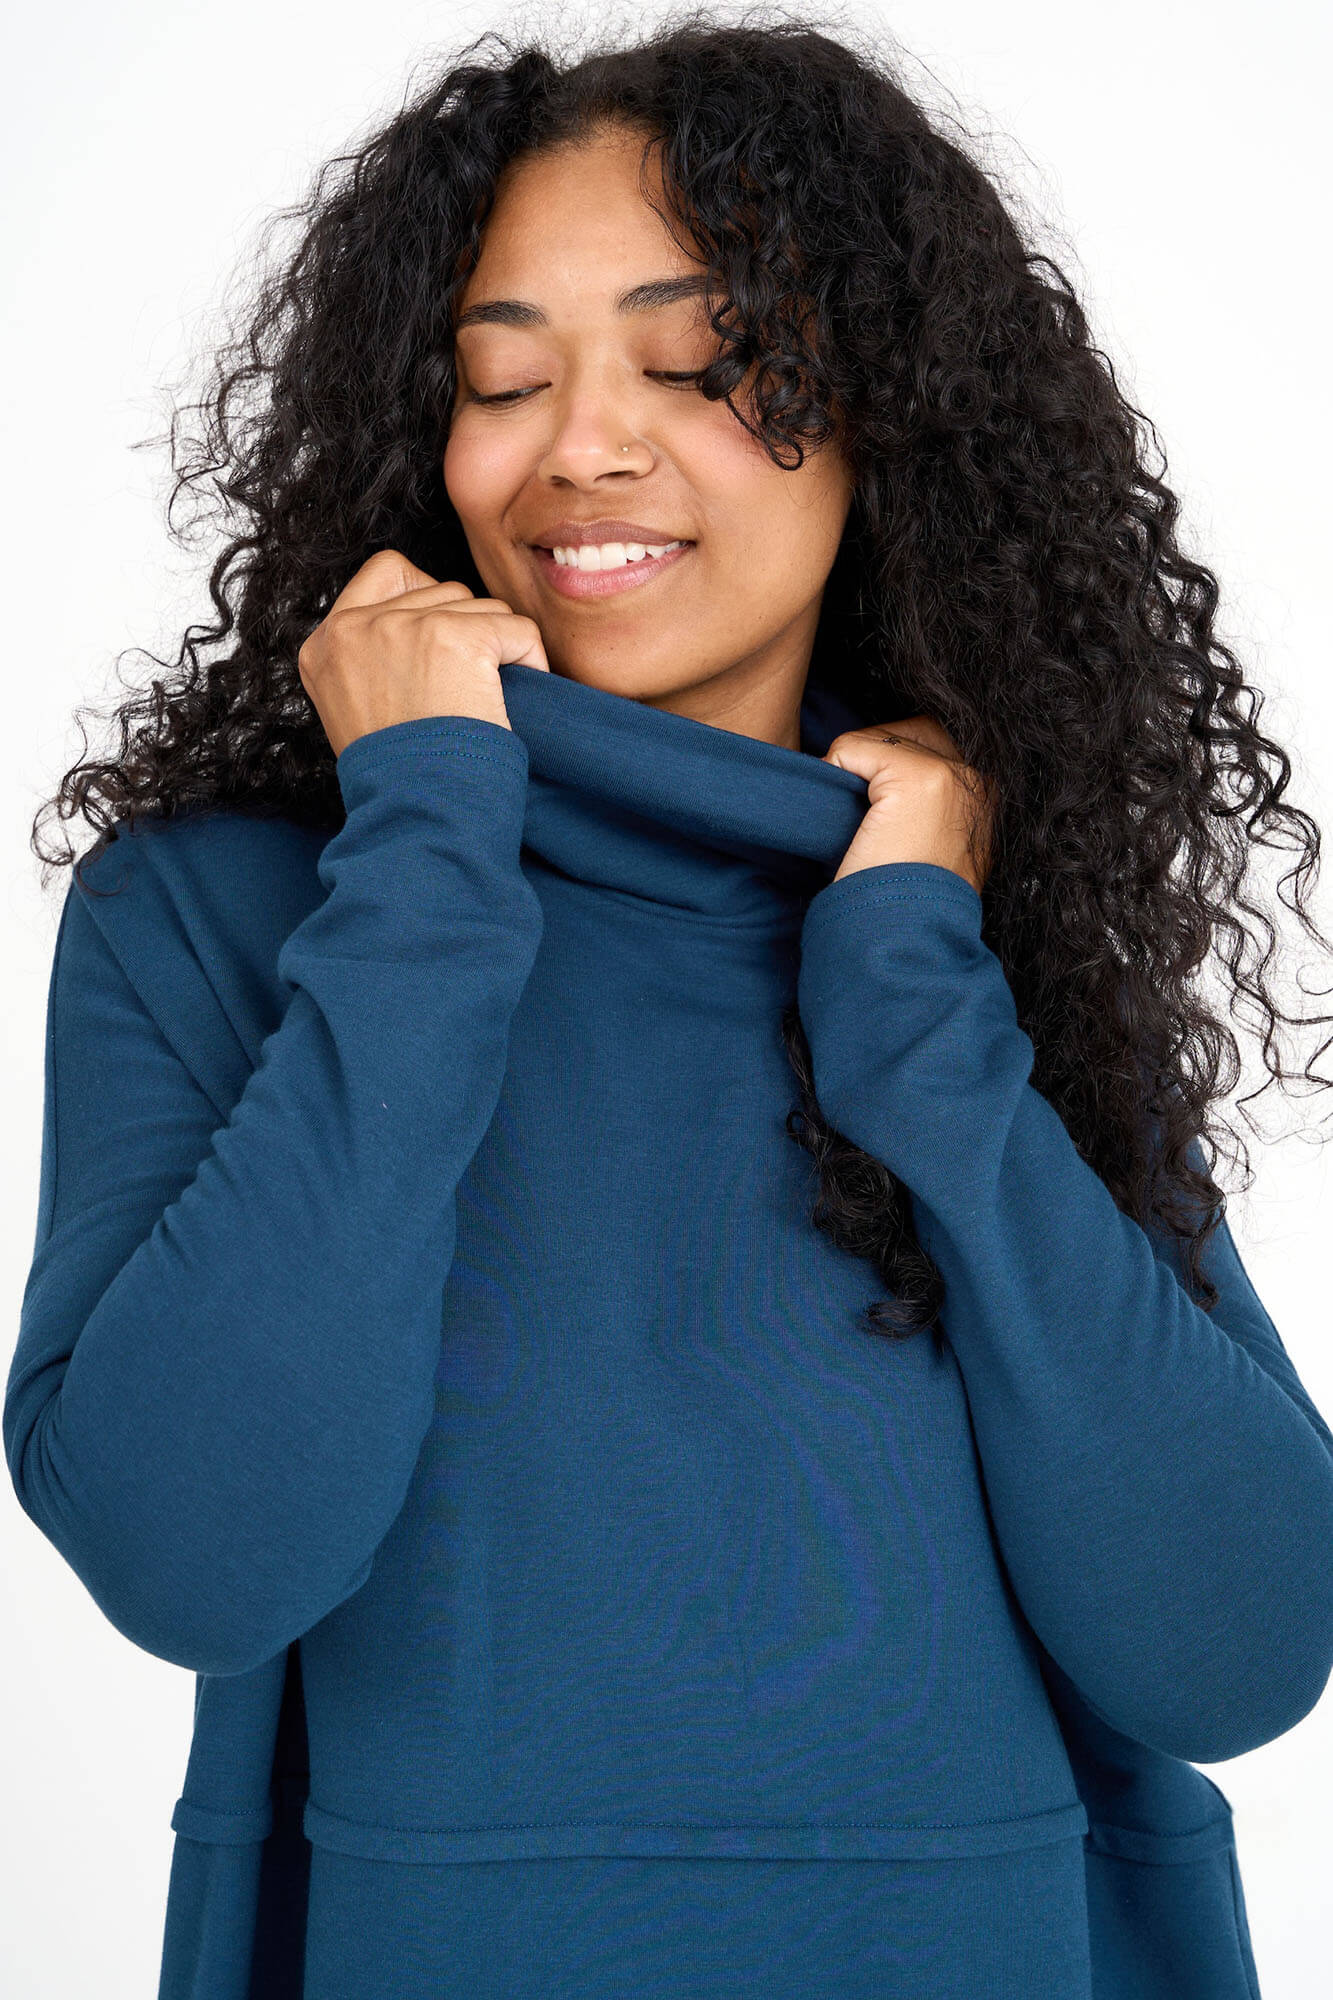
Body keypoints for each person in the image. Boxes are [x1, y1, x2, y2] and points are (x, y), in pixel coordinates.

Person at [8, 15, 1333, 1999]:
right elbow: (197, 1552)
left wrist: (922, 1014)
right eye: (500, 378)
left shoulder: (971, 905)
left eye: (704, 362)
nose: (581, 447)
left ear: (887, 415)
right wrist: (427, 853)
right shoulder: (229, 913)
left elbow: (1232, 1648)